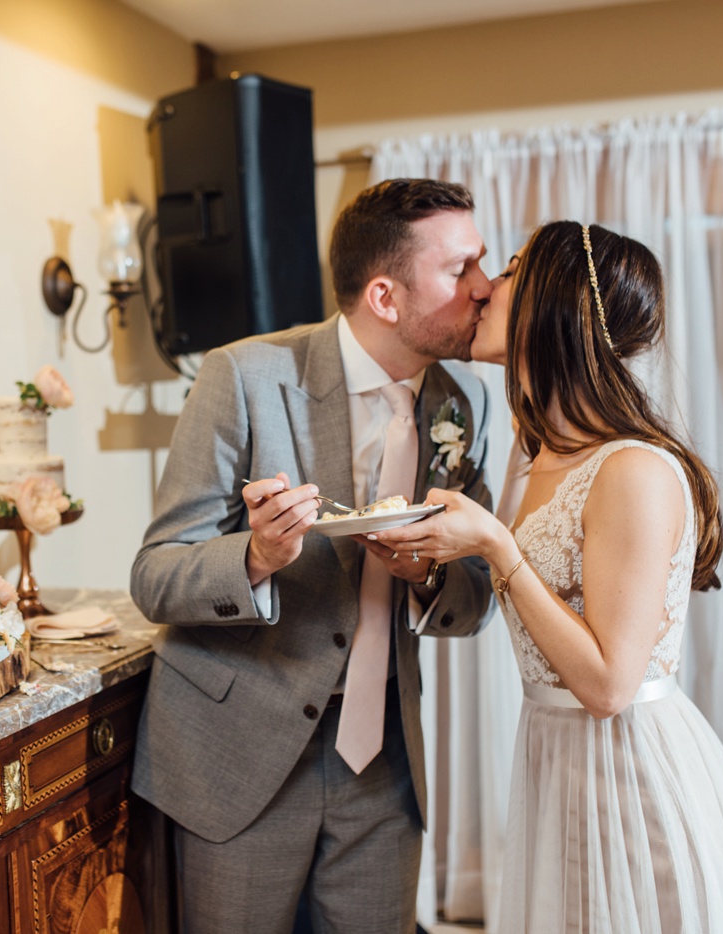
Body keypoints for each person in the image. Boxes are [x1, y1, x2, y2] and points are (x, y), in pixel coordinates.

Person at [373, 220, 723, 932]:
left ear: (553, 303)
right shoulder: (529, 456)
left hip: (631, 772)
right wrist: (428, 560)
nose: (486, 288)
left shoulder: (633, 468)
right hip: (553, 761)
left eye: (508, 270)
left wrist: (498, 549)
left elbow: (607, 686)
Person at [130, 178, 498, 933]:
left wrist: (425, 573)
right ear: (386, 298)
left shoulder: (466, 402)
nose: (484, 288)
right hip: (239, 758)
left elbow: (478, 592)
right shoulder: (245, 377)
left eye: (481, 265)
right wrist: (258, 556)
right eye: (459, 270)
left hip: (384, 766)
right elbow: (155, 573)